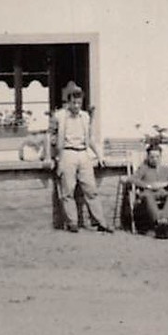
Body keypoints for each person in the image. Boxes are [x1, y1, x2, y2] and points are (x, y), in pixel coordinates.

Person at [50, 83, 112, 233]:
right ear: (68, 102)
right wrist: (52, 157)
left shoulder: (85, 117)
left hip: (83, 154)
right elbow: (50, 137)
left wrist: (99, 155)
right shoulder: (60, 116)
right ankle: (73, 223)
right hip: (67, 153)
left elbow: (89, 138)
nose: (77, 106)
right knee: (67, 191)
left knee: (90, 189)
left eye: (79, 103)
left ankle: (100, 222)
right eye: (74, 103)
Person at [129, 141, 168, 238]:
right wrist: (148, 186)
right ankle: (159, 222)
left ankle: (164, 221)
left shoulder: (166, 169)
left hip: (163, 192)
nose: (155, 159)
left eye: (157, 157)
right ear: (148, 157)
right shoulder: (143, 169)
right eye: (152, 157)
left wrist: (166, 183)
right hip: (148, 193)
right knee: (148, 196)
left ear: (161, 157)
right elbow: (132, 179)